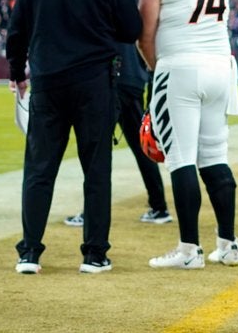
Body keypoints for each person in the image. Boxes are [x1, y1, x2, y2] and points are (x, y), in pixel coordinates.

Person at [5, 0, 142, 275]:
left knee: (38, 170)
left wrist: (17, 73)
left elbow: (16, 30)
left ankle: (29, 253)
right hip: (94, 87)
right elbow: (131, 31)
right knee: (96, 171)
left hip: (47, 85)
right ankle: (94, 255)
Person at [137, 0, 238, 268]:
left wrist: (158, 68)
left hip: (180, 66)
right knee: (215, 156)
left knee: (181, 159)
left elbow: (145, 33)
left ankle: (188, 250)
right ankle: (228, 244)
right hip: (220, 66)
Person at [63, 34, 174, 228]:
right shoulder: (133, 15)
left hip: (111, 79)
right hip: (133, 80)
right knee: (141, 147)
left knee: (98, 150)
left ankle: (92, 212)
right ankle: (159, 206)